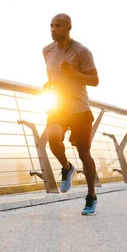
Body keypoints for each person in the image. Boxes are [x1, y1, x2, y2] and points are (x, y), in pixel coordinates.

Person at [42, 13, 100, 215]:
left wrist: (73, 73)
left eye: (57, 26)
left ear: (68, 28)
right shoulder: (47, 50)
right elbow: (52, 74)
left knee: (84, 153)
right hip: (59, 107)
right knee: (53, 140)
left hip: (80, 109)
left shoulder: (81, 51)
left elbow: (94, 80)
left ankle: (91, 196)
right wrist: (50, 83)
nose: (53, 29)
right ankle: (67, 168)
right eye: (51, 26)